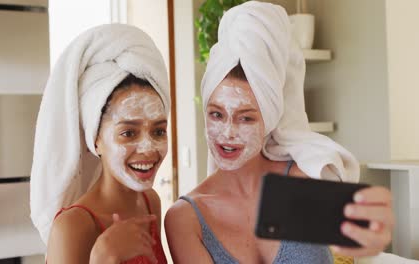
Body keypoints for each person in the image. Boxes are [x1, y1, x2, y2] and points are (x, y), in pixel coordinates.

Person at [165, 2, 393, 263]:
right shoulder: (185, 218)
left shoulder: (309, 179)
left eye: (246, 118)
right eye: (216, 114)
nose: (227, 133)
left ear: (270, 120)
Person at [30, 24, 170, 264]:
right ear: (96, 141)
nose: (148, 147)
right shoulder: (72, 227)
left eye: (158, 131)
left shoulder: (150, 201)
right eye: (128, 133)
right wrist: (103, 258)